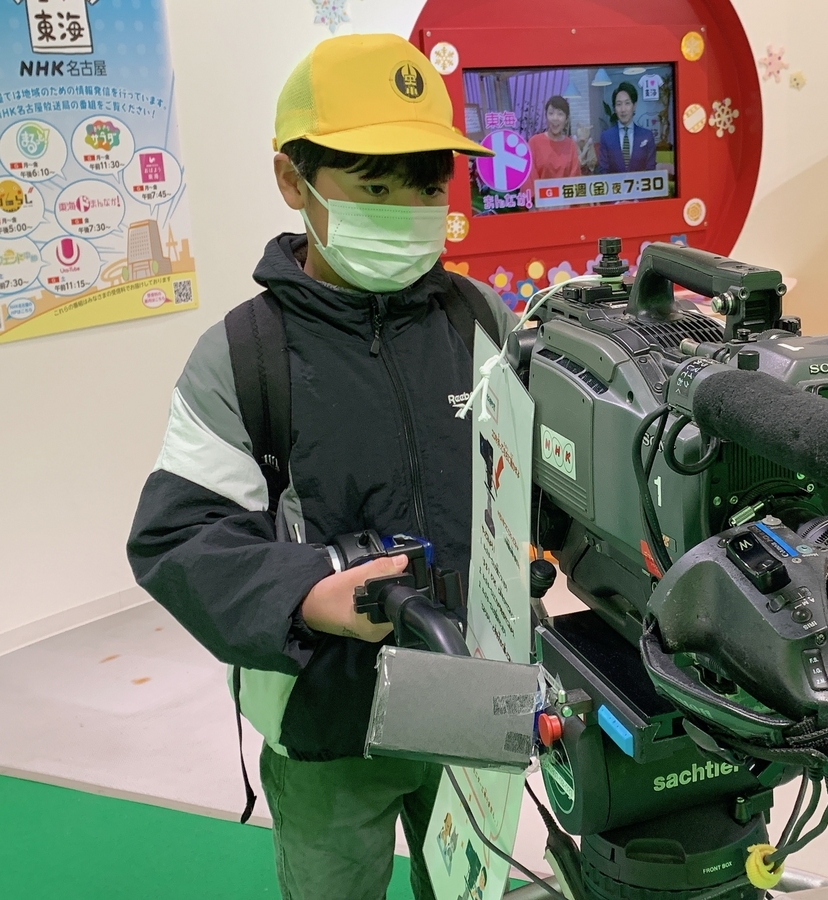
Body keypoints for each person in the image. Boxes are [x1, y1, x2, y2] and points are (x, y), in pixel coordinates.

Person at [126, 33, 515, 900]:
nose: (407, 210)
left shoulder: (483, 321)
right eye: (375, 187)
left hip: (476, 695)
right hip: (328, 719)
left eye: (427, 187)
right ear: (292, 181)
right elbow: (178, 537)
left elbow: (537, 481)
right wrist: (307, 591)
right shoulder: (244, 354)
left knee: (477, 888)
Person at [596, 81, 656, 174]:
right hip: (615, 183)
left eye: (627, 103)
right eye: (619, 104)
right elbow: (603, 170)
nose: (623, 109)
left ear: (634, 106)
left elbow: (651, 170)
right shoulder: (606, 137)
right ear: (614, 108)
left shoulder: (647, 136)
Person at [527, 95, 581, 181]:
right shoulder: (534, 142)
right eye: (551, 113)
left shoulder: (571, 145)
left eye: (560, 114)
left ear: (566, 120)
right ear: (546, 117)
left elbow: (575, 179)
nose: (555, 118)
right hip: (539, 190)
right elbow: (529, 178)